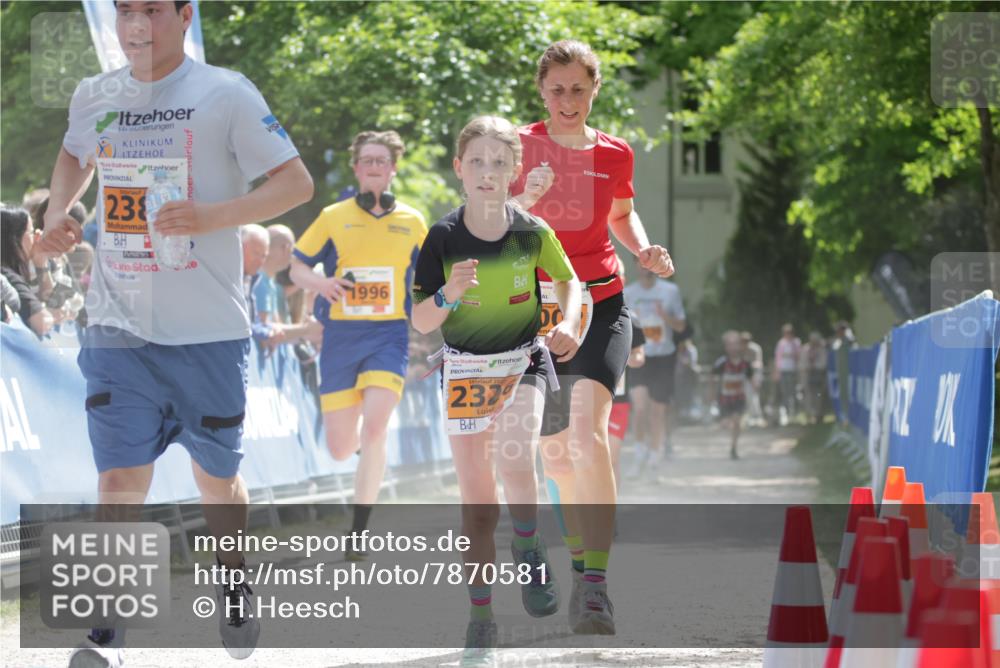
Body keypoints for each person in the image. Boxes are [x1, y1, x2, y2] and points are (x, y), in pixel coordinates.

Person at [37, 2, 314, 665]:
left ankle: (234, 578)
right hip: (117, 327)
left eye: (152, 9)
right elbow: (75, 152)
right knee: (118, 483)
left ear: (184, 15)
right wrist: (57, 210)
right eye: (125, 9)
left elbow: (295, 183)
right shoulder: (94, 94)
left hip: (208, 334)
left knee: (216, 479)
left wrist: (211, 216)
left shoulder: (226, 94)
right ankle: (108, 629)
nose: (136, 23)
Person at [510, 39, 675, 635]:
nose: (568, 100)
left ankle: (598, 586)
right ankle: (581, 566)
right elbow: (490, 222)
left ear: (594, 89)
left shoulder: (615, 153)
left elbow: (621, 214)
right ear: (541, 91)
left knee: (588, 432)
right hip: (537, 311)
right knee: (554, 451)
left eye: (579, 88)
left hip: (602, 302)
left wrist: (645, 250)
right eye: (557, 89)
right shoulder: (517, 148)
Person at [412, 115, 581, 666]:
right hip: (463, 371)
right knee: (479, 507)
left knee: (516, 453)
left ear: (515, 173)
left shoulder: (531, 230)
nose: (488, 172)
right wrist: (448, 295)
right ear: (459, 169)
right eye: (477, 162)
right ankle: (480, 617)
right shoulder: (441, 236)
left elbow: (569, 281)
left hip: (522, 360)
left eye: (499, 163)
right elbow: (419, 320)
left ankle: (530, 545)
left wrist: (570, 322)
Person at [289, 130, 427, 561]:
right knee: (339, 447)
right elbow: (296, 267)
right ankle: (363, 453)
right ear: (356, 168)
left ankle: (358, 530)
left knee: (376, 426)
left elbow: (428, 280)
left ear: (392, 169)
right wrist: (321, 282)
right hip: (341, 338)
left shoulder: (413, 221)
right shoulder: (333, 215)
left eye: (381, 161)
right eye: (366, 160)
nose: (373, 167)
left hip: (388, 334)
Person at [624, 266, 686, 475]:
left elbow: (680, 326)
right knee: (640, 407)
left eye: (649, 265)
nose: (644, 268)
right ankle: (639, 453)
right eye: (639, 263)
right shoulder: (628, 293)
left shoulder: (670, 291)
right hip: (639, 356)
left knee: (658, 412)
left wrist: (664, 316)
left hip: (664, 357)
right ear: (635, 264)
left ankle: (654, 457)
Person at [1, 205, 55, 337]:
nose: (37, 238)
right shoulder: (6, 274)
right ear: (14, 237)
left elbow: (50, 299)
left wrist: (41, 262)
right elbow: (42, 322)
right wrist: (51, 314)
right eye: (31, 232)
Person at [714, 331, 754, 459]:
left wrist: (754, 388)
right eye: (730, 345)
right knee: (727, 422)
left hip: (739, 398)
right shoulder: (721, 363)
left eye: (735, 344)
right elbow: (713, 377)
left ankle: (733, 447)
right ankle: (725, 435)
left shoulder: (746, 364)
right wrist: (711, 393)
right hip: (724, 399)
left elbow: (751, 378)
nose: (733, 348)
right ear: (726, 347)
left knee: (737, 421)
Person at [773, 323, 801, 425]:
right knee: (785, 393)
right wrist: (776, 371)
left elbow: (798, 355)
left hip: (792, 370)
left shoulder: (796, 342)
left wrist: (790, 354)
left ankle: (795, 414)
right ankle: (787, 414)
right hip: (783, 370)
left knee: (793, 392)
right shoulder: (781, 343)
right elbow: (778, 358)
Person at [800, 331, 828, 424]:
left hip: (818, 376)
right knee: (808, 396)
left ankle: (818, 415)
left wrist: (814, 366)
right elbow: (802, 363)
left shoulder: (822, 350)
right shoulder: (805, 349)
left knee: (818, 396)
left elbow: (823, 364)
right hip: (807, 376)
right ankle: (809, 415)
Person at [741, 331, 765, 426]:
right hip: (746, 375)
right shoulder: (741, 349)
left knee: (754, 395)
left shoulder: (755, 348)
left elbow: (758, 362)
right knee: (748, 395)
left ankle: (757, 416)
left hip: (755, 373)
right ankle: (751, 416)